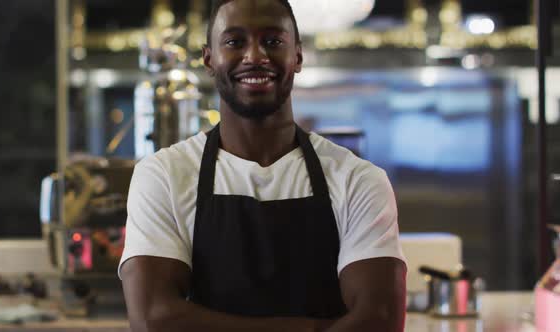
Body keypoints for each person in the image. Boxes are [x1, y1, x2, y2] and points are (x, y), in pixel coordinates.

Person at [119, 0, 407, 331]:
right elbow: (153, 319)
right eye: (234, 41)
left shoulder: (357, 180)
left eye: (272, 41)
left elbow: (380, 321)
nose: (255, 56)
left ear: (297, 56)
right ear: (208, 58)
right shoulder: (164, 175)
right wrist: (315, 328)